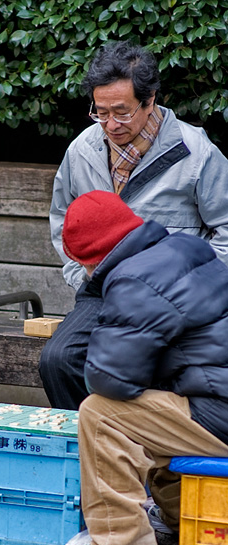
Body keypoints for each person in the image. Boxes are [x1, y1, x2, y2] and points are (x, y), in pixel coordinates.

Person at [39, 40, 228, 411]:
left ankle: (142, 458)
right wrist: (83, 277)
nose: (110, 124)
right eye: (101, 112)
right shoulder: (82, 150)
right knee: (58, 360)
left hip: (177, 297)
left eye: (122, 113)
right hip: (103, 291)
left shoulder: (197, 153)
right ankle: (90, 457)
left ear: (150, 100)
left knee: (153, 370)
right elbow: (63, 220)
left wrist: (197, 286)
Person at [53, 191, 228, 545]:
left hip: (219, 413)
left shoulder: (133, 279)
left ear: (88, 259)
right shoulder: (183, 246)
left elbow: (110, 379)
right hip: (215, 398)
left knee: (101, 414)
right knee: (153, 407)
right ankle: (178, 515)